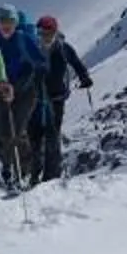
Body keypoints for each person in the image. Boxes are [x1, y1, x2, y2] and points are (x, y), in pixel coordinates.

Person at [28, 15, 92, 184]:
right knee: (33, 135)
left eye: (48, 33)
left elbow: (76, 63)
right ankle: (34, 175)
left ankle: (51, 175)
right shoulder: (32, 47)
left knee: (52, 135)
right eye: (41, 33)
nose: (45, 37)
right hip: (36, 97)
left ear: (55, 32)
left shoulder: (63, 48)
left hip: (56, 97)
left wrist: (84, 77)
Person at [0, 7, 45, 187]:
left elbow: (40, 61)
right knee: (3, 132)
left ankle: (25, 173)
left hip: (25, 92)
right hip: (1, 91)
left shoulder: (23, 39)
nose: (6, 26)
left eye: (10, 22)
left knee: (18, 131)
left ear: (16, 23)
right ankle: (8, 170)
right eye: (2, 22)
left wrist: (31, 78)